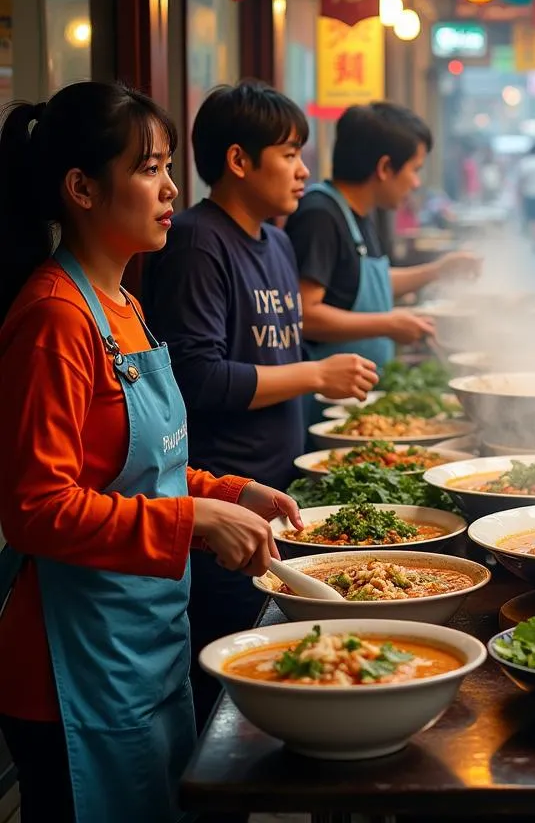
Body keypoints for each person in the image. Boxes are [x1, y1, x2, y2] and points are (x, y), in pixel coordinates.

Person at [0, 83, 299, 823]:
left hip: (146, 645)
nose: (172, 189)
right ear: (82, 189)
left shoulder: (124, 304)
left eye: (168, 166)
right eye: (147, 168)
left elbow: (147, 469)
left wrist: (231, 494)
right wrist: (192, 520)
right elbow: (37, 510)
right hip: (72, 666)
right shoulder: (54, 318)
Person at [142, 81, 378, 732]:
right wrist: (314, 372)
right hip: (221, 502)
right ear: (240, 160)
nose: (304, 170)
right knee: (228, 694)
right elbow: (199, 377)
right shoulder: (195, 241)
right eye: (290, 153)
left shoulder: (275, 242)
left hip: (274, 489)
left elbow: (271, 360)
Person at [286, 102, 478, 381]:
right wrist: (387, 324)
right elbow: (305, 314)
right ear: (385, 167)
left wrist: (438, 271)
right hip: (324, 407)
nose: (415, 183)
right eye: (415, 169)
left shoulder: (357, 214)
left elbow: (356, 284)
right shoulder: (320, 215)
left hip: (360, 395)